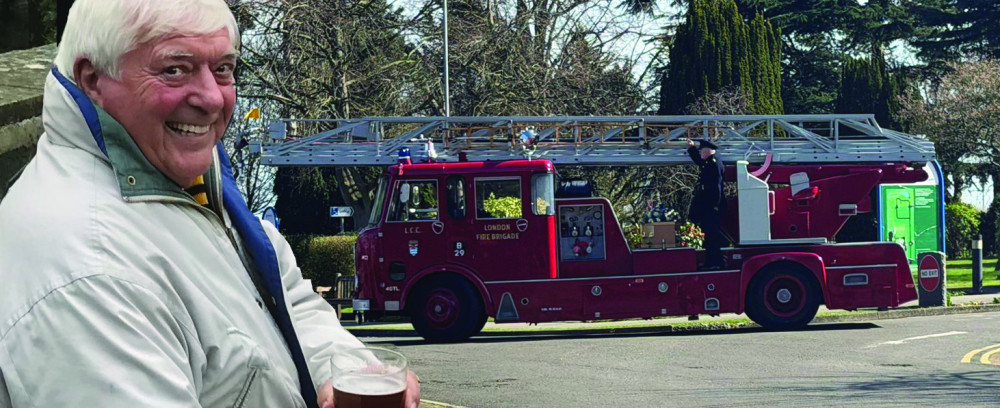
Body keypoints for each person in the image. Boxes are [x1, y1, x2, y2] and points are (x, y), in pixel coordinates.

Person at [0, 1, 419, 407]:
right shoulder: (90, 270)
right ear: (92, 79)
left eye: (223, 69)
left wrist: (344, 370)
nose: (212, 98)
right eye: (174, 70)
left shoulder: (184, 184)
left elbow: (290, 304)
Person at [687, 138, 727, 269]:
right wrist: (692, 148)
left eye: (702, 151)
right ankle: (712, 262)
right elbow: (699, 162)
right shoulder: (710, 162)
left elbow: (717, 188)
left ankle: (714, 262)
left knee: (712, 237)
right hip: (709, 207)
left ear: (708, 151)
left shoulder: (714, 164)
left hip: (712, 208)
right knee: (709, 236)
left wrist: (714, 207)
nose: (701, 154)